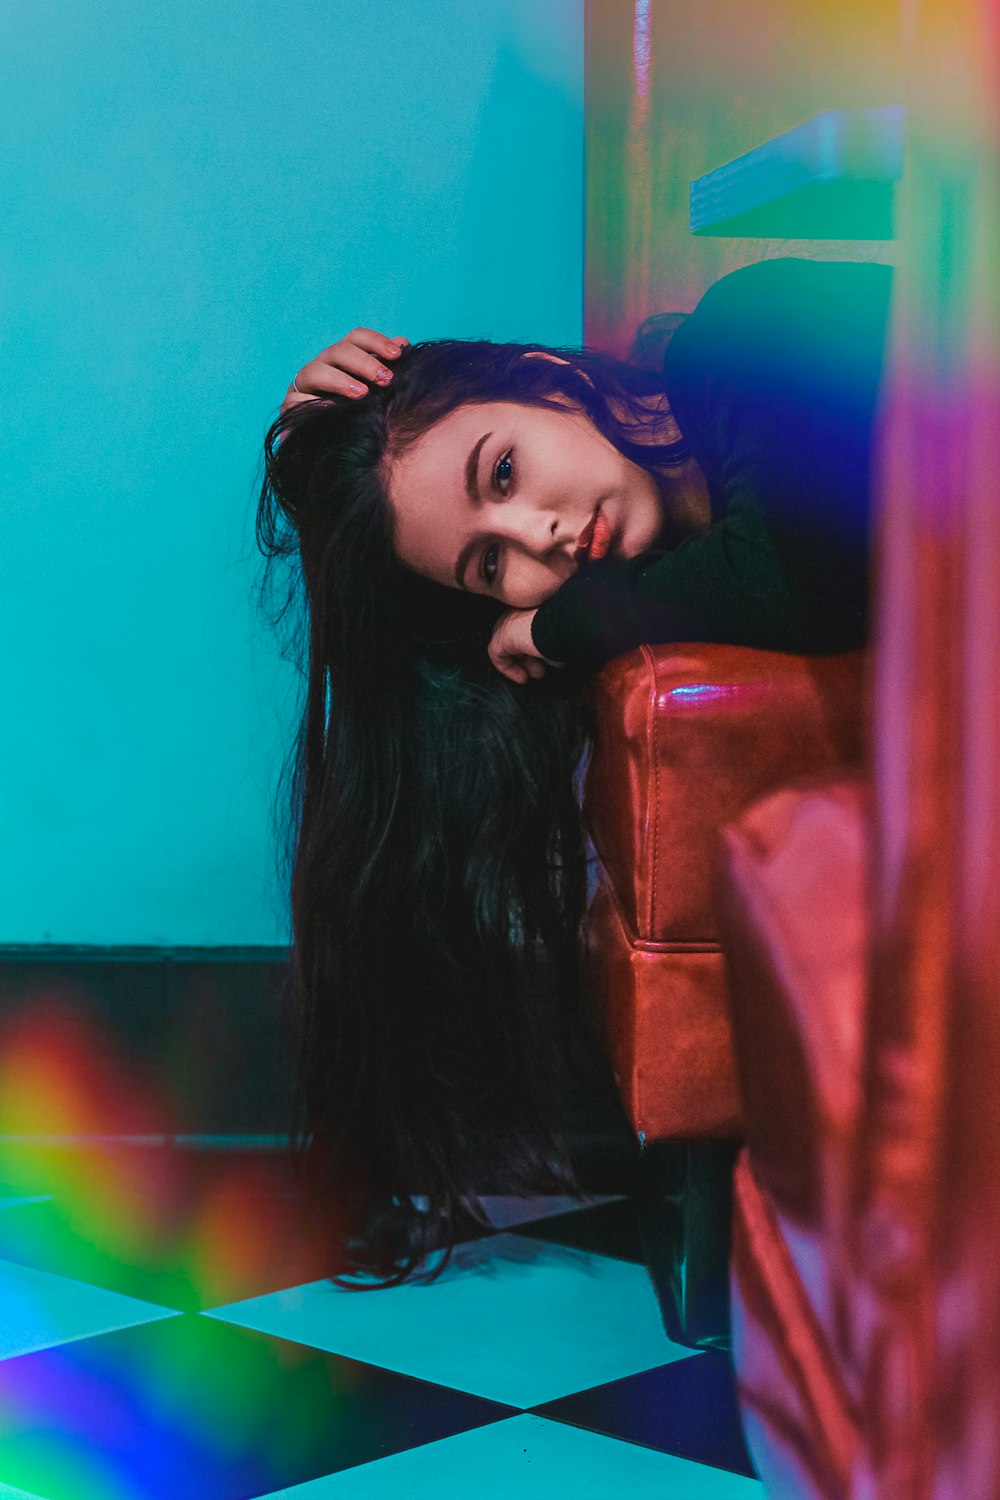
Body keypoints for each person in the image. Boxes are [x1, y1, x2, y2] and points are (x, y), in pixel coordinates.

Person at [256, 256, 893, 1288]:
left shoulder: (742, 333)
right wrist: (324, 488)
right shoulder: (664, 588)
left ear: (550, 378)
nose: (537, 536)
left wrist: (556, 623)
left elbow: (808, 562)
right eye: (491, 566)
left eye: (500, 473)